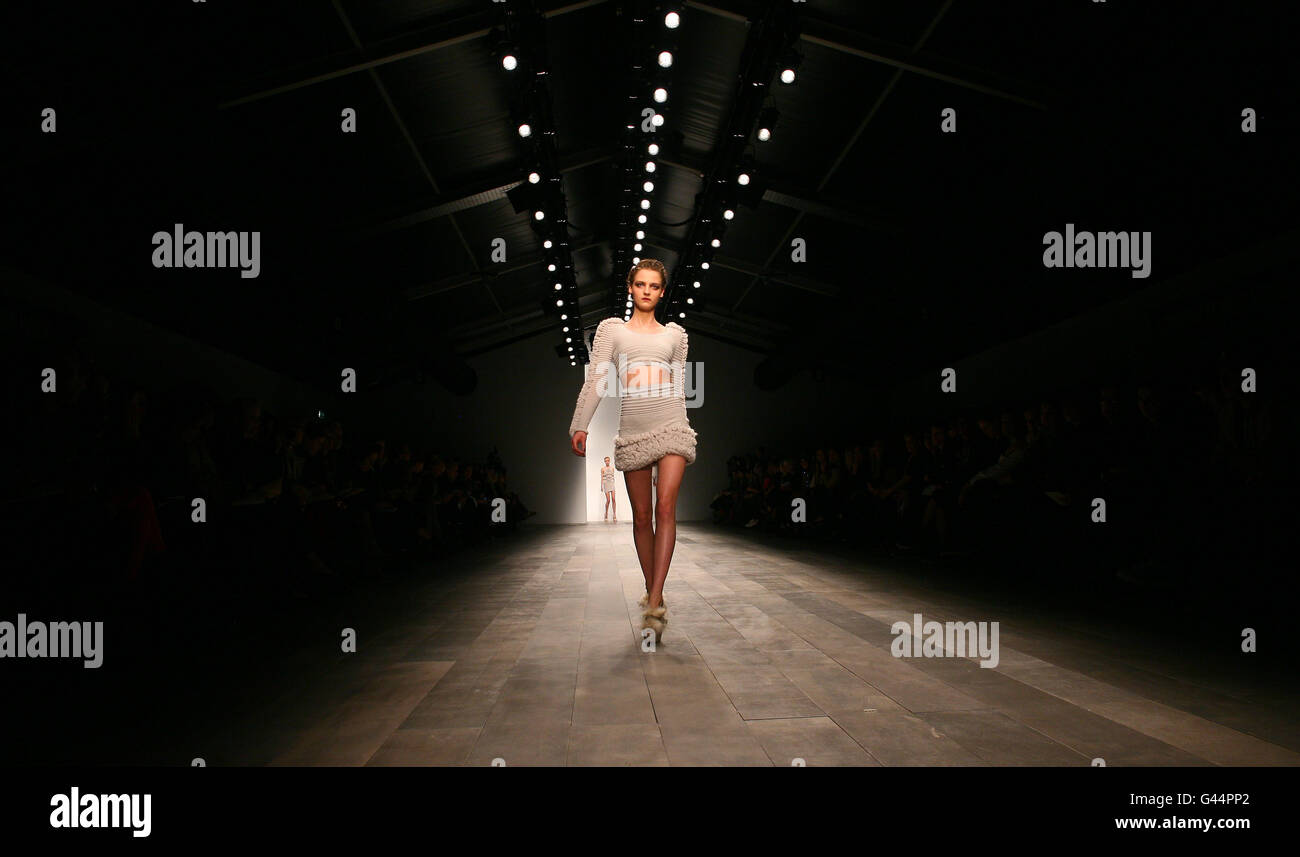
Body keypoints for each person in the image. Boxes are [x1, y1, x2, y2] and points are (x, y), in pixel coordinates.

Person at [568, 259, 698, 643]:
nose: (646, 291)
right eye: (640, 284)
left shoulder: (675, 335)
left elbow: (679, 387)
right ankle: (652, 588)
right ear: (630, 287)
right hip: (635, 429)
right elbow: (597, 380)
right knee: (642, 517)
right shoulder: (613, 331)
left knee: (665, 507)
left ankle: (655, 601)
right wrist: (580, 423)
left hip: (672, 421)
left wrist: (685, 424)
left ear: (661, 291)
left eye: (654, 286)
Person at [601, 456, 617, 521]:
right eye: (606, 461)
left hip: (611, 483)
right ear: (604, 462)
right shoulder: (602, 469)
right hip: (606, 484)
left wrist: (613, 483)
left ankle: (614, 514)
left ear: (609, 461)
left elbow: (613, 476)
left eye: (608, 460)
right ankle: (606, 513)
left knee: (613, 499)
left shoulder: (612, 468)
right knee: (608, 500)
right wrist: (601, 486)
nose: (607, 462)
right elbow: (602, 477)